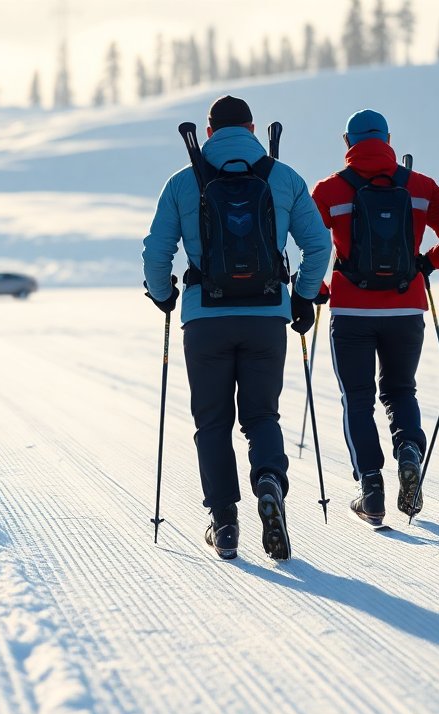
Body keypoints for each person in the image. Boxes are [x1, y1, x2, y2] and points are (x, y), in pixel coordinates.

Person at [142, 95, 331, 561]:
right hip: (267, 317)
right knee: (261, 416)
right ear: (252, 129)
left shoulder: (183, 182)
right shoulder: (283, 178)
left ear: (208, 133)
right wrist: (304, 295)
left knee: (213, 422)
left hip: (205, 318)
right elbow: (318, 244)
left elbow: (156, 251)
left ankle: (225, 524)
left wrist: (164, 294)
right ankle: (269, 479)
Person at [311, 110, 439, 528]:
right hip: (406, 308)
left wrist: (315, 289)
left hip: (351, 310)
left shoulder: (330, 190)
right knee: (400, 390)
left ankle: (371, 490)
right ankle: (408, 449)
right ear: (388, 138)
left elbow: (307, 242)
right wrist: (427, 264)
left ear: (347, 141)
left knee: (358, 398)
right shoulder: (421, 186)